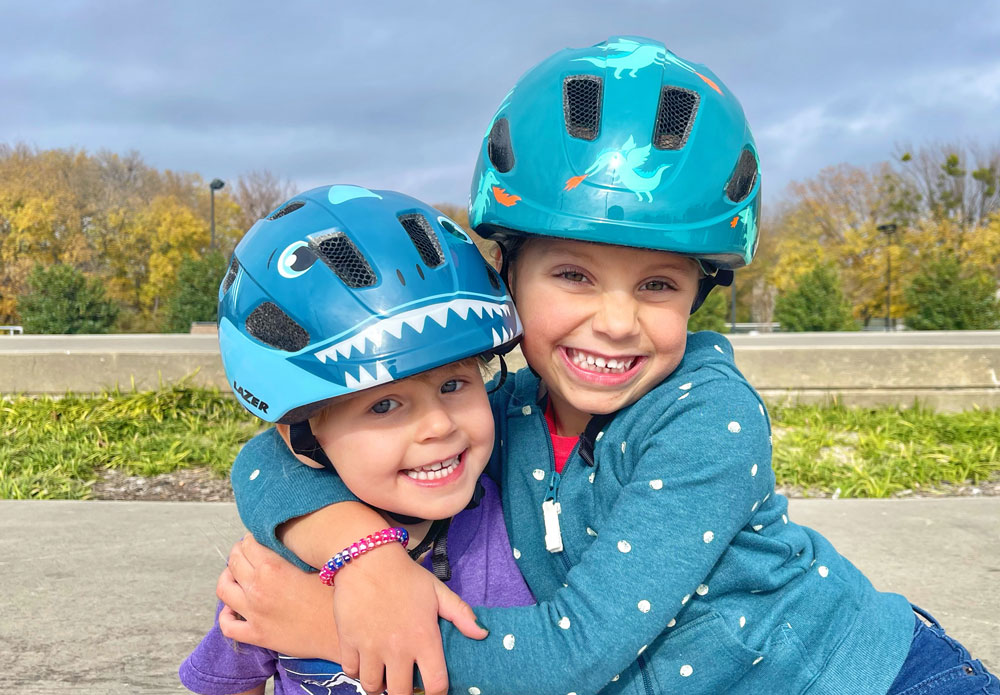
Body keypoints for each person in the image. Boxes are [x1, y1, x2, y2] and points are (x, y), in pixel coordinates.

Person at [215, 38, 999, 695]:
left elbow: (574, 653)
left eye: (658, 285)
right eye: (574, 275)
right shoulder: (501, 408)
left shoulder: (705, 420)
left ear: (700, 291)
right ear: (506, 270)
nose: (618, 321)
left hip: (879, 677)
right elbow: (270, 457)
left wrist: (333, 630)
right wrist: (367, 560)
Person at [179, 185, 534, 695]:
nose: (439, 426)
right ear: (303, 436)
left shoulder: (507, 532)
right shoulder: (275, 565)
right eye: (384, 405)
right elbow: (233, 679)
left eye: (454, 385)